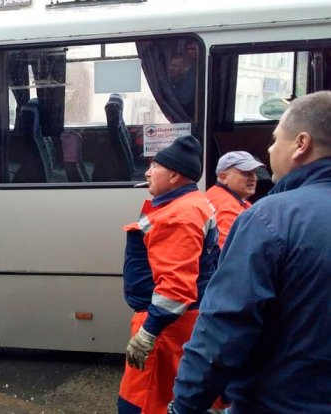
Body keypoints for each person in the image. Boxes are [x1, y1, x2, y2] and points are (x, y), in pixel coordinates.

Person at [170, 91, 331, 414]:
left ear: (301, 144)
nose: (270, 149)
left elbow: (224, 327)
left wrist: (185, 406)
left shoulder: (269, 218)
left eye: (275, 139)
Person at [118, 135, 220, 414]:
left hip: (165, 327)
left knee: (142, 402)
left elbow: (175, 288)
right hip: (181, 322)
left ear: (174, 175)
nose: (147, 172)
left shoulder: (179, 215)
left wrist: (148, 332)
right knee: (169, 397)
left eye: (154, 166)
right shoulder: (194, 203)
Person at [205, 151, 265, 248]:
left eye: (254, 172)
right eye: (246, 173)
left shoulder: (218, 195)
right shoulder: (227, 207)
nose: (253, 178)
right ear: (224, 177)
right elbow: (229, 252)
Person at [169, 54, 196, 120]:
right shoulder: (179, 79)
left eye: (175, 66)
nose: (171, 68)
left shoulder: (190, 81)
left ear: (185, 67)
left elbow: (183, 103)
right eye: (171, 65)